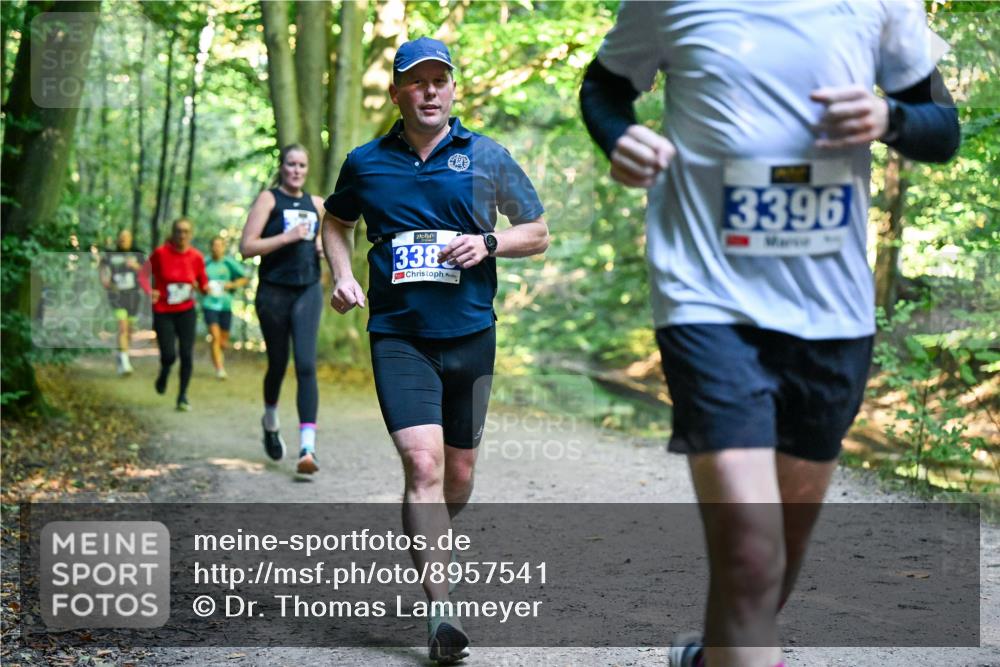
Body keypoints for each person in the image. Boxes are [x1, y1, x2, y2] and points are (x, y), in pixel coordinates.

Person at [580, 2, 960, 666]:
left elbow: (942, 129)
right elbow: (604, 87)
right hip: (706, 293)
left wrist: (888, 119)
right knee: (750, 555)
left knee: (770, 563)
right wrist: (621, 137)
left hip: (831, 312)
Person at [322, 36, 549, 664]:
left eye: (438, 81)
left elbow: (537, 232)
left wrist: (490, 244)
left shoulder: (487, 156)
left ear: (452, 90)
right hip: (398, 336)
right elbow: (336, 221)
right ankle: (440, 613)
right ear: (398, 92)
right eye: (416, 82)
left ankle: (430, 535)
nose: (429, 91)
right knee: (421, 466)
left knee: (458, 475)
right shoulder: (366, 162)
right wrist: (341, 274)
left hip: (471, 335)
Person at [240, 144, 326, 475]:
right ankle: (270, 421)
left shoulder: (317, 204)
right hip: (273, 292)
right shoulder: (269, 199)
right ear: (282, 166)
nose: (296, 170)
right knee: (278, 363)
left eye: (302, 165)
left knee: (305, 364)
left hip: (307, 290)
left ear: (307, 169)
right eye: (291, 164)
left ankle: (308, 449)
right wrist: (286, 238)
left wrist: (322, 244)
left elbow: (333, 236)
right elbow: (247, 247)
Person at [139, 218, 209, 412]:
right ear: (173, 233)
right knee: (169, 354)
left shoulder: (196, 257)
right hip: (163, 311)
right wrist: (149, 291)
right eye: (178, 231)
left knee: (186, 354)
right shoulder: (161, 253)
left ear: (191, 234)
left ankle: (182, 396)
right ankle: (164, 371)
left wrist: (204, 288)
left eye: (186, 231)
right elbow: (143, 275)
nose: (182, 235)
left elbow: (203, 283)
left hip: (186, 311)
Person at [201, 236, 249, 380]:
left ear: (223, 247)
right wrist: (202, 288)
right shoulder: (205, 263)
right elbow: (194, 279)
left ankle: (217, 355)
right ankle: (219, 368)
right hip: (209, 304)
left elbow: (244, 278)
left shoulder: (229, 263)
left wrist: (232, 285)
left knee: (222, 341)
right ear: (210, 247)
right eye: (214, 245)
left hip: (225, 306)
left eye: (219, 245)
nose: (216, 248)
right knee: (215, 336)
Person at [99, 229, 145, 375]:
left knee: (129, 330)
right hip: (117, 296)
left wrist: (135, 266)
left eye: (126, 237)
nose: (123, 239)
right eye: (121, 237)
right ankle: (125, 364)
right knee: (123, 327)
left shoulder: (138, 253)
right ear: (118, 238)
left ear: (131, 239)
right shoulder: (110, 255)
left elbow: (146, 272)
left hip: (133, 296)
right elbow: (103, 270)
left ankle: (122, 354)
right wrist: (105, 281)